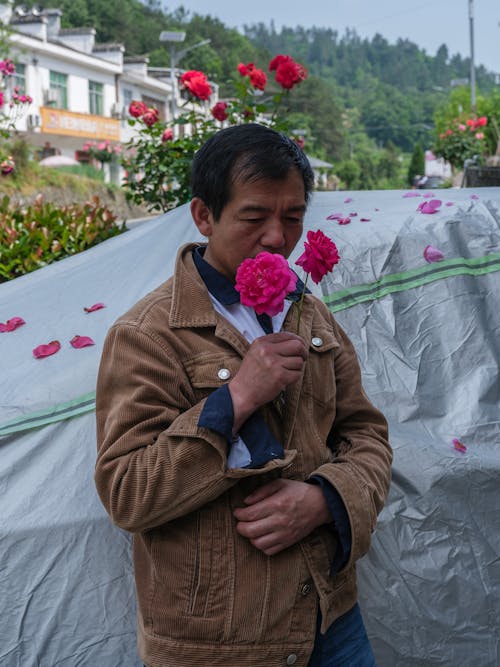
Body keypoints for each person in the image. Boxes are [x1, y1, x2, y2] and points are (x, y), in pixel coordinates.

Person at [94, 123, 392, 667]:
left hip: (331, 618)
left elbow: (365, 434)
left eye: (294, 217)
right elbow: (127, 492)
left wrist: (326, 499)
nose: (278, 238)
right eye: (254, 217)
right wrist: (236, 399)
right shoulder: (147, 334)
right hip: (219, 645)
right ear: (204, 215)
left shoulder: (309, 313)